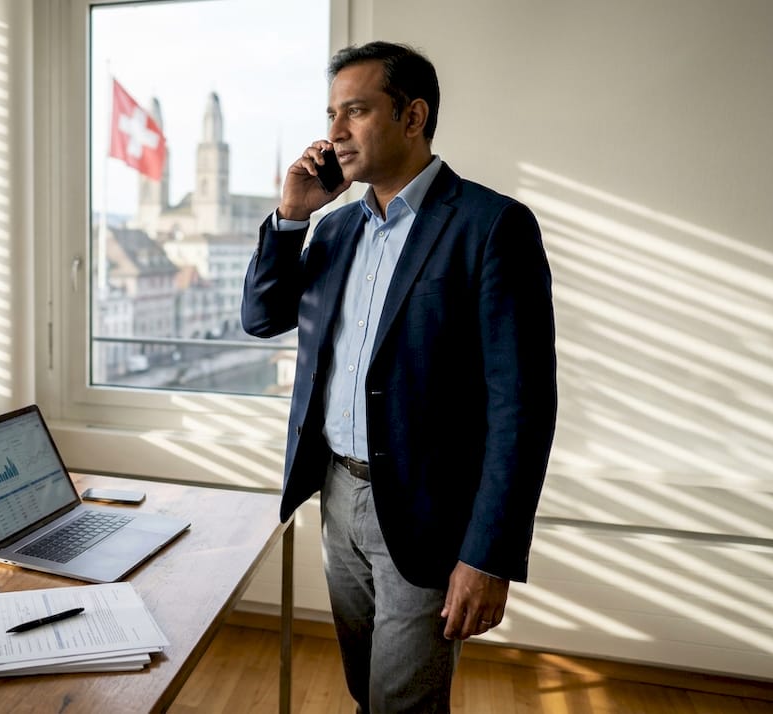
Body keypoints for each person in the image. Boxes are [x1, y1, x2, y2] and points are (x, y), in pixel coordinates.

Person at [241, 42, 557, 713]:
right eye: (331, 114)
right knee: (366, 690)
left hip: (428, 512)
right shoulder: (332, 234)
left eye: (355, 111)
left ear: (413, 117)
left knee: (402, 703)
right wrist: (293, 215)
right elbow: (262, 318)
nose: (334, 133)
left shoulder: (491, 226)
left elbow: (521, 407)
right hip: (337, 495)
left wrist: (489, 555)